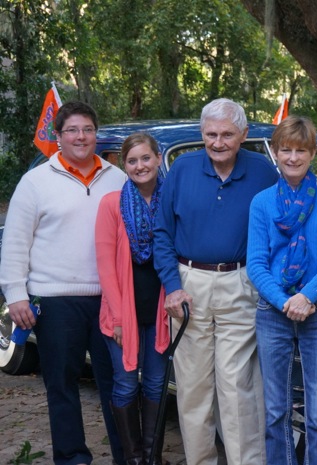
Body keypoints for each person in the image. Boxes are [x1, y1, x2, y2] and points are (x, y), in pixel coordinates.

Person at [0, 101, 126, 465]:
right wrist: (15, 294)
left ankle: (126, 455)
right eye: (72, 130)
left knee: (117, 385)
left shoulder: (117, 179)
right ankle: (72, 458)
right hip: (56, 302)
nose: (81, 137)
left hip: (108, 300)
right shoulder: (35, 182)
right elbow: (16, 242)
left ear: (96, 134)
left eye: (87, 129)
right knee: (62, 388)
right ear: (58, 137)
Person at [153, 98, 277, 464]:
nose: (218, 142)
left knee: (239, 387)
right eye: (210, 134)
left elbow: (291, 219)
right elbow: (161, 233)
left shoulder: (264, 172)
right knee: (193, 389)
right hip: (188, 284)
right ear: (201, 134)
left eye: (226, 134)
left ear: (243, 135)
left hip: (240, 282)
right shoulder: (181, 169)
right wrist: (172, 286)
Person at [247, 115, 317, 465]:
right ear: (274, 152)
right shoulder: (261, 203)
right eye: (286, 150)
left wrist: (307, 296)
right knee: (275, 410)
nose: (293, 158)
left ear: (312, 154)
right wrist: (285, 301)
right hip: (273, 315)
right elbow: (257, 264)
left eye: (300, 150)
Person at [95, 132, 170, 465]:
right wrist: (119, 318)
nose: (140, 166)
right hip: (122, 311)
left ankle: (152, 458)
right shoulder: (112, 204)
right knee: (125, 385)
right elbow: (105, 267)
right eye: (132, 160)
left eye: (145, 158)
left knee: (156, 384)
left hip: (159, 313)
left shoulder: (171, 200)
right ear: (123, 165)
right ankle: (133, 459)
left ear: (157, 159)